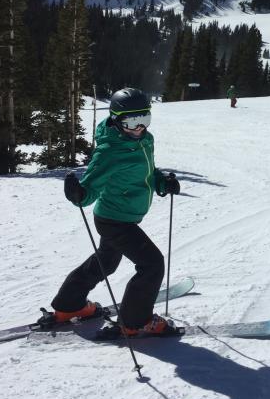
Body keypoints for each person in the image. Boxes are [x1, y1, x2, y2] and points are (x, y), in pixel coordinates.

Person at [50, 87, 180, 337]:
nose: (139, 127)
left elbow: (147, 172)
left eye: (145, 119)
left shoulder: (144, 140)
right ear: (117, 120)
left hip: (123, 216)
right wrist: (79, 194)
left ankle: (69, 305)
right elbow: (91, 187)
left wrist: (162, 182)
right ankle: (135, 321)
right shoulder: (109, 151)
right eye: (132, 122)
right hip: (114, 220)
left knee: (106, 261)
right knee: (152, 264)